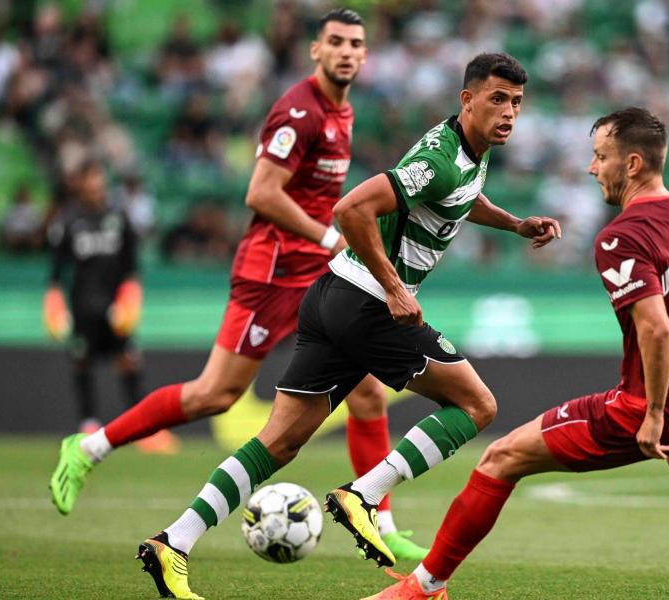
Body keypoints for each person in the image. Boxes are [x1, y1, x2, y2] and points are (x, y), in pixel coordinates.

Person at [364, 107, 669, 600]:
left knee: (500, 458)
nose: (592, 168)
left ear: (634, 164)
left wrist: (655, 415)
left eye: (601, 156)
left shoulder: (621, 237)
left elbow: (657, 331)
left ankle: (424, 587)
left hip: (649, 405)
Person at [134, 52, 560, 600]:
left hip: (331, 296)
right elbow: (351, 210)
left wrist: (514, 224)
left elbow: (459, 198)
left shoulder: (468, 154)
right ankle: (364, 494)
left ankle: (175, 541)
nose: (509, 113)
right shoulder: (441, 157)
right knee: (477, 406)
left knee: (280, 442)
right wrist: (394, 286)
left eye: (517, 103)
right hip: (367, 303)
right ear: (467, 99)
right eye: (498, 99)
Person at [50, 7, 427, 563]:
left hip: (318, 274)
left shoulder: (341, 112)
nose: (347, 51)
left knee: (369, 390)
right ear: (315, 51)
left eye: (356, 43)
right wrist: (327, 237)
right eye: (336, 42)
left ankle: (380, 519)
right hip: (271, 273)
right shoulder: (298, 111)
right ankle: (89, 447)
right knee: (215, 395)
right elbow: (261, 193)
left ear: (365, 55)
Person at [44, 160, 144, 435]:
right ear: (80, 183)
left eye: (100, 178)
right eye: (91, 179)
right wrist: (54, 304)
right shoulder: (67, 221)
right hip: (82, 308)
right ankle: (88, 422)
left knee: (129, 359)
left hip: (114, 309)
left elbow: (131, 269)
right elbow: (55, 273)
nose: (97, 185)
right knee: (81, 360)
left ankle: (143, 427)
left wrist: (130, 300)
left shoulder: (119, 218)